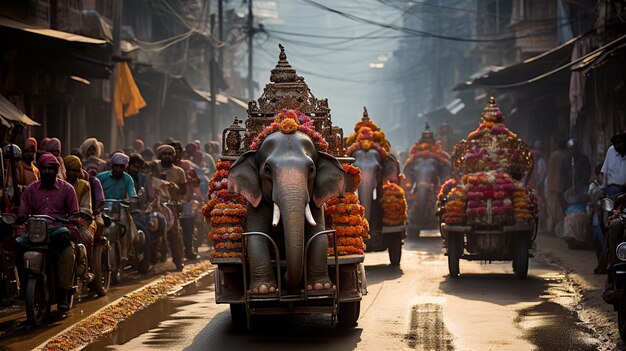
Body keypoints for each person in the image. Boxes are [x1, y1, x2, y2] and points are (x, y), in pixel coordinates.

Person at [16, 154, 78, 312]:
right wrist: (22, 228)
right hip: (36, 234)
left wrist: (70, 227)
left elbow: (74, 217)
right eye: (44, 168)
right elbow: (23, 216)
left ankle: (63, 293)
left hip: (58, 233)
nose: (47, 171)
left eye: (51, 168)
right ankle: (24, 286)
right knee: (18, 244)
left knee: (66, 252)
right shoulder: (31, 190)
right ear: (40, 170)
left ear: (56, 170)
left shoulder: (68, 189)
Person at [97, 153, 137, 264]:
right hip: (102, 209)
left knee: (125, 224)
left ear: (125, 167)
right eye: (116, 166)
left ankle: (125, 251)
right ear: (111, 165)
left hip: (119, 208)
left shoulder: (128, 179)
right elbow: (93, 191)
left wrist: (131, 199)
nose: (118, 169)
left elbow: (132, 193)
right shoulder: (101, 177)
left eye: (121, 167)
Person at [63, 155, 96, 283]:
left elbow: (87, 208)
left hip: (82, 221)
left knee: (86, 238)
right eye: (72, 170)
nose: (75, 173)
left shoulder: (84, 185)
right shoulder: (60, 184)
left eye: (77, 170)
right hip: (61, 221)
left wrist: (75, 215)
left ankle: (87, 269)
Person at [156, 144, 186, 270]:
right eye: (164, 154)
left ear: (174, 156)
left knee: (174, 233)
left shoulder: (179, 171)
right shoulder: (155, 169)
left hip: (171, 206)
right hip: (155, 205)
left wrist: (175, 187)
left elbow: (183, 190)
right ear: (160, 156)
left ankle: (178, 261)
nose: (167, 156)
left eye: (170, 154)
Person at [545, 139, 568, 234]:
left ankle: (554, 229)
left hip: (551, 184)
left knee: (552, 209)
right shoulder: (565, 156)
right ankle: (558, 229)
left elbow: (549, 169)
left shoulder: (553, 155)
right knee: (559, 208)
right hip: (561, 186)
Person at [600, 131, 626, 200]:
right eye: (615, 144)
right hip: (613, 190)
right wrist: (603, 190)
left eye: (619, 143)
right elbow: (605, 172)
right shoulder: (611, 151)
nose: (617, 146)